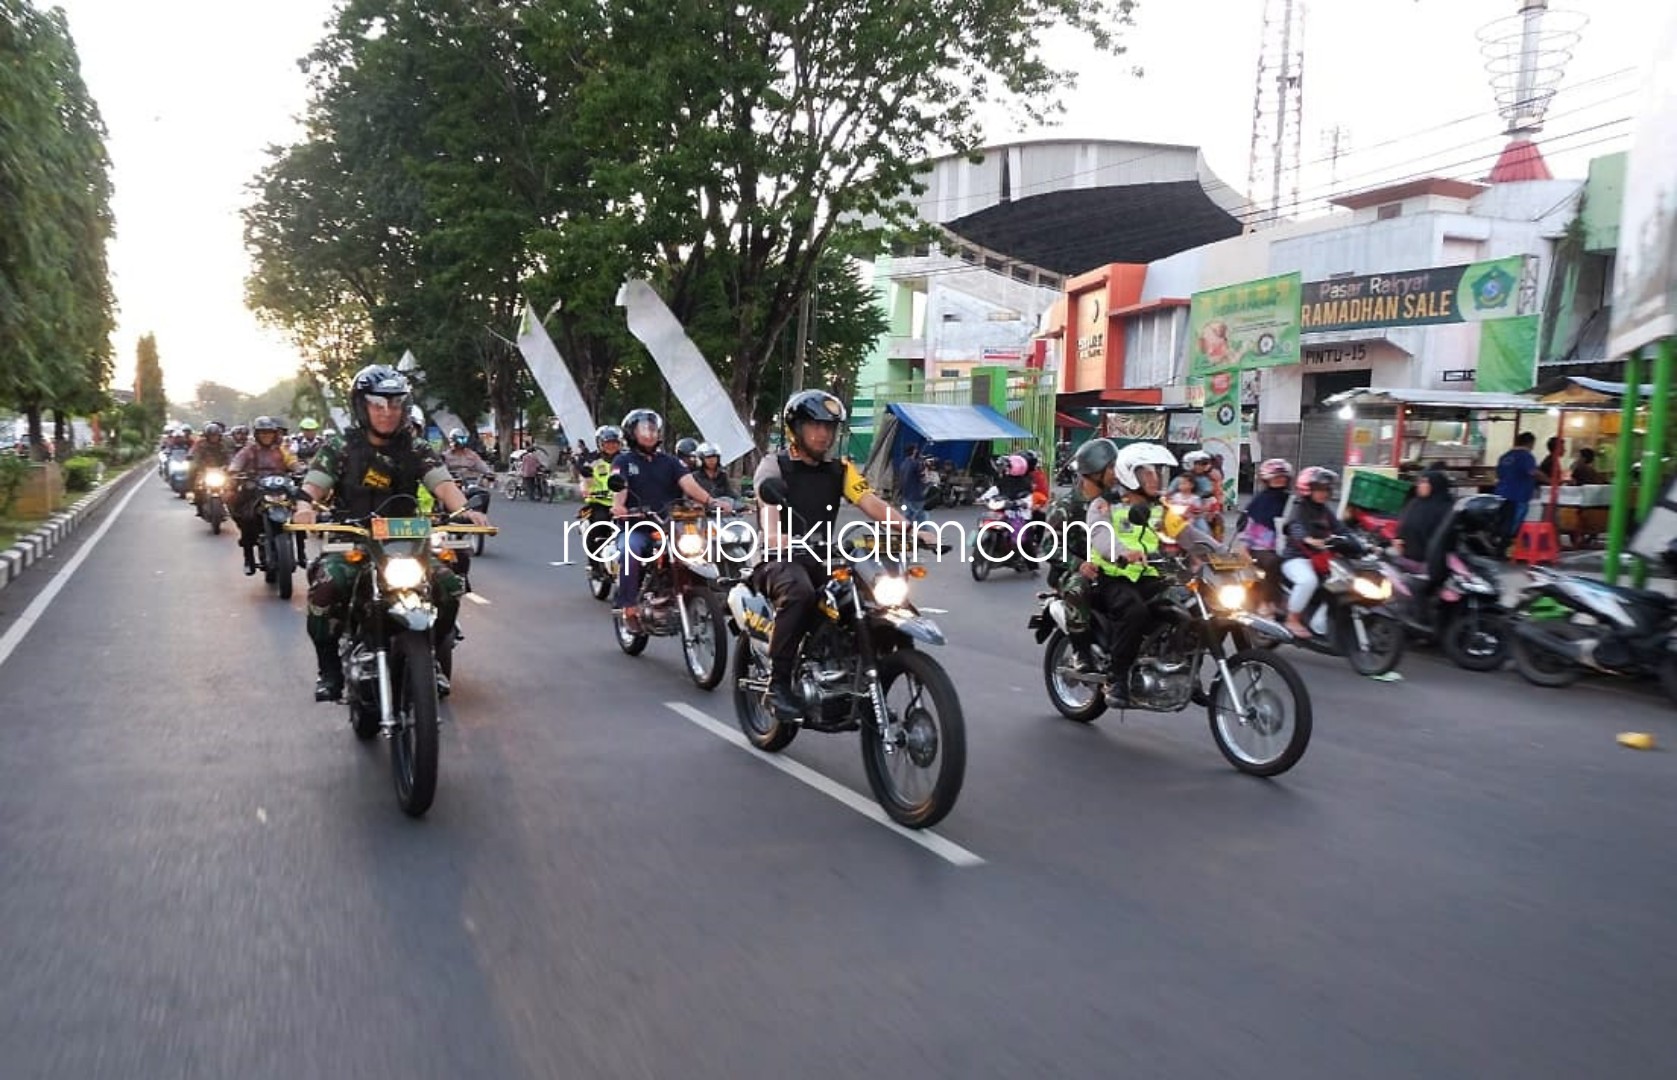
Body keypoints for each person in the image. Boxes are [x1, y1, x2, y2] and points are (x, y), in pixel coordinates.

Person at [291, 365, 491, 701]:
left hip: (405, 542)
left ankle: (431, 657)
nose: (387, 413)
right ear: (361, 406)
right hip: (351, 539)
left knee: (449, 586)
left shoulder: (415, 447)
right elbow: (313, 485)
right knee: (324, 590)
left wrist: (463, 510)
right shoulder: (340, 447)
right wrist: (304, 506)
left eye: (395, 404)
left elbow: (442, 483)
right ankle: (329, 670)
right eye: (378, 404)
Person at [753, 390, 931, 719]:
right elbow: (769, 508)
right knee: (800, 593)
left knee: (876, 597)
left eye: (829, 427)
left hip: (821, 558)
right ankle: (776, 686)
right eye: (815, 426)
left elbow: (871, 503)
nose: (823, 434)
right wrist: (777, 535)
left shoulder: (841, 469)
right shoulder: (774, 465)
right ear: (796, 429)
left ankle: (879, 680)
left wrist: (911, 530)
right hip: (780, 559)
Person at [611, 409, 731, 633]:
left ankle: (709, 592)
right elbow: (620, 489)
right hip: (638, 526)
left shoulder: (671, 462)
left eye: (653, 429)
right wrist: (619, 506)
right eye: (644, 429)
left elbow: (689, 484)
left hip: (672, 525)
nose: (650, 434)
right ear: (631, 433)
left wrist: (711, 501)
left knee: (708, 543)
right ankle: (628, 607)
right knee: (630, 549)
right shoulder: (623, 460)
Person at [1081, 441, 1178, 708]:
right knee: (1134, 611)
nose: (1154, 477)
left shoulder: (1161, 507)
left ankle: (1183, 669)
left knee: (1188, 606)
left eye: (1156, 472)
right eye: (1146, 473)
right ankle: (1118, 677)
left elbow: (1188, 534)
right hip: (1112, 578)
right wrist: (1122, 552)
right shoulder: (1104, 505)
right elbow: (1100, 537)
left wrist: (1221, 552)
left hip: (1149, 576)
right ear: (1129, 475)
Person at [1046, 438, 1115, 671]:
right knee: (1078, 588)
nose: (1116, 473)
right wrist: (1078, 564)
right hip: (1073, 570)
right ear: (1095, 472)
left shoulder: (1117, 501)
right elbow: (1047, 546)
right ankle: (1081, 652)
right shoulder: (1067, 506)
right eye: (1111, 467)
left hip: (1114, 564)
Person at [228, 415, 300, 575]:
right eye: (263, 433)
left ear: (275, 434)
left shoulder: (281, 449)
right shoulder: (249, 450)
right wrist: (234, 471)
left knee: (299, 511)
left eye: (269, 433)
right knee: (245, 515)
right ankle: (248, 556)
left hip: (280, 489)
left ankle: (301, 552)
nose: (266, 436)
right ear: (257, 434)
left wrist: (298, 469)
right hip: (256, 489)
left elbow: (292, 462)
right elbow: (237, 462)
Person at [1279, 467, 1345, 638]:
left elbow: (1341, 528)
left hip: (1321, 557)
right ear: (1307, 489)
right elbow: (1295, 526)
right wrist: (1307, 539)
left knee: (1343, 582)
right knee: (1308, 581)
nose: (1324, 493)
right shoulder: (1299, 508)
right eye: (1319, 489)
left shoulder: (1324, 510)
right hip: (1296, 558)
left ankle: (1322, 620)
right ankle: (1292, 619)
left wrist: (1360, 542)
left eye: (1326, 489)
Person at [1236, 458, 1293, 616]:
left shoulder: (1291, 500)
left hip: (1287, 546)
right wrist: (1244, 548)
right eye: (1275, 478)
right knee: (1275, 563)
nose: (1279, 481)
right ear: (1267, 480)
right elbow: (1247, 527)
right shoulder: (1260, 501)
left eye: (1282, 477)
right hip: (1261, 548)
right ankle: (1266, 602)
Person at [1390, 469, 1453, 575]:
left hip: (1430, 567)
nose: (1419, 485)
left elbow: (1446, 539)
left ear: (1435, 485)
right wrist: (1397, 539)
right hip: (1406, 559)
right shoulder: (1415, 503)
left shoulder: (1446, 508)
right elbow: (1404, 523)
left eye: (1424, 482)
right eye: (1420, 481)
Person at [1493, 432, 1541, 555]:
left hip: (1501, 494)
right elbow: (1532, 472)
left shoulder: (1505, 456)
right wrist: (1549, 480)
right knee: (1514, 523)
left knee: (1503, 521)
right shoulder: (1526, 456)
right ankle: (1506, 548)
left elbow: (1498, 474)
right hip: (1519, 494)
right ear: (1530, 443)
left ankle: (1498, 546)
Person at [580, 425, 622, 564]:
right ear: (600, 444)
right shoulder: (592, 460)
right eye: (607, 443)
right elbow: (585, 479)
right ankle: (594, 564)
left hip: (622, 503)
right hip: (600, 503)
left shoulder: (626, 460)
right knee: (599, 525)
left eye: (614, 443)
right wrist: (586, 489)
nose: (611, 446)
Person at [186, 422, 232, 515]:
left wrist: (230, 465)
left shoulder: (223, 444)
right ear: (207, 436)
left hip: (220, 470)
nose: (214, 438)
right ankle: (194, 496)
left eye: (215, 435)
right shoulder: (200, 444)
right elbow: (194, 453)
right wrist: (193, 460)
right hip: (204, 469)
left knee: (232, 485)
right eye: (211, 436)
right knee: (193, 474)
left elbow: (229, 455)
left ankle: (231, 507)